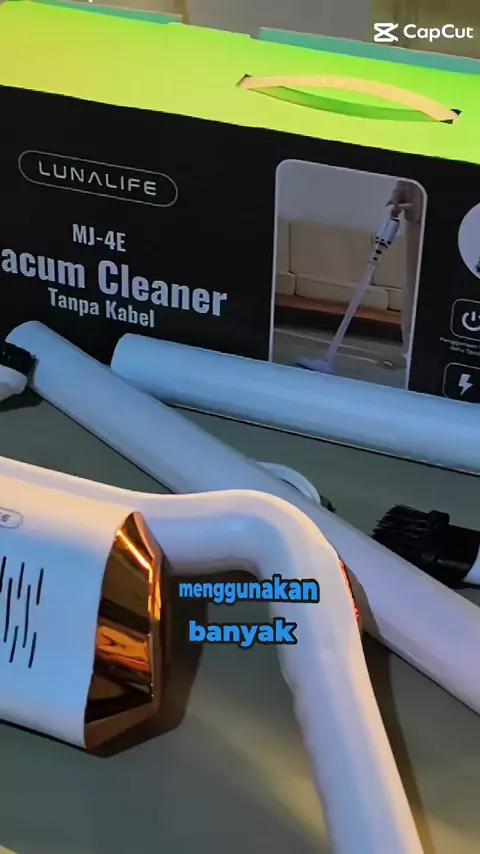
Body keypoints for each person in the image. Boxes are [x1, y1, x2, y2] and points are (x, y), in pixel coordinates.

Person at [383, 179, 424, 370]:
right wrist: (397, 197)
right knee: (413, 288)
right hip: (417, 221)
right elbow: (408, 178)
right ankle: (409, 351)